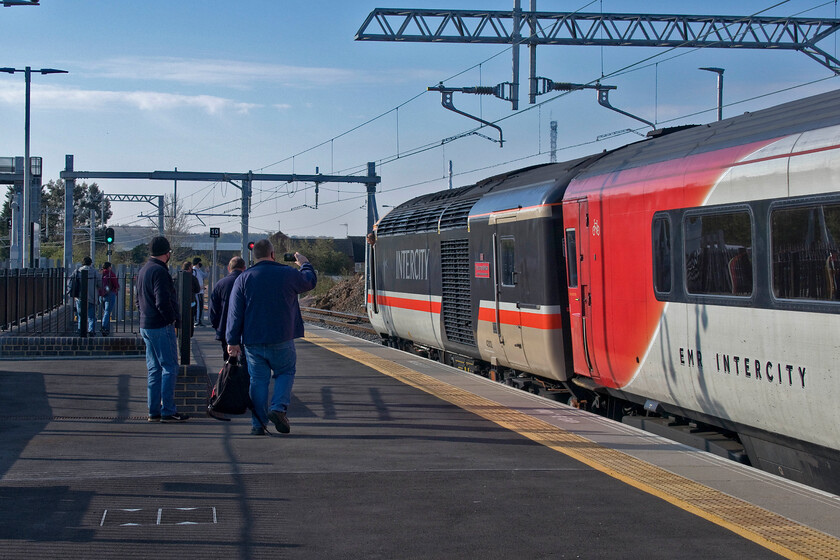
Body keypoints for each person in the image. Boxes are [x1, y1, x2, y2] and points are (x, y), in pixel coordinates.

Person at [226, 239, 316, 436]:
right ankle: (278, 407)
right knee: (285, 372)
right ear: (273, 254)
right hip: (282, 336)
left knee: (258, 381)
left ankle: (258, 424)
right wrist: (304, 263)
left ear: (254, 256)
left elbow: (235, 312)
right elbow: (309, 281)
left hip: (252, 340)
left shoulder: (244, 277)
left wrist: (232, 341)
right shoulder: (288, 273)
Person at [137, 236, 189, 423]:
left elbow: (138, 299)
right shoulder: (160, 272)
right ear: (166, 253)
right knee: (169, 367)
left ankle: (153, 411)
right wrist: (172, 319)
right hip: (160, 325)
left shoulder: (143, 270)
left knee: (154, 369)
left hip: (146, 325)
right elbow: (162, 300)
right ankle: (167, 410)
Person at [209, 256, 246, 361]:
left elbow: (213, 308)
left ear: (229, 268)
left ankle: (229, 375)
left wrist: (217, 325)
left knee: (229, 360)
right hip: (246, 329)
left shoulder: (221, 284)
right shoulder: (248, 282)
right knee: (246, 361)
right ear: (244, 267)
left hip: (225, 327)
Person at [73, 257, 102, 336]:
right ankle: (91, 330)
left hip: (80, 297)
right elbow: (100, 284)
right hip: (92, 297)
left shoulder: (77, 271)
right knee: (92, 316)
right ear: (90, 263)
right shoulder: (95, 272)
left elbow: (72, 283)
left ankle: (80, 329)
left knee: (80, 315)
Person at [99, 261, 119, 336]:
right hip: (110, 294)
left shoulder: (100, 274)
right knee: (107, 312)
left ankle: (106, 329)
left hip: (101, 295)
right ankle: (104, 326)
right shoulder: (111, 274)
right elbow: (116, 284)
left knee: (105, 312)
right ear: (109, 267)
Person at [183, 260, 201, 336]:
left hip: (180, 303)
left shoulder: (176, 276)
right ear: (190, 268)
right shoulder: (193, 278)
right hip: (191, 302)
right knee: (190, 320)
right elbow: (197, 290)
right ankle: (189, 334)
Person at [192, 257, 207, 326]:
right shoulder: (194, 271)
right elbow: (193, 282)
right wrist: (198, 287)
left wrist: (207, 271)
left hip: (201, 291)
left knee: (200, 306)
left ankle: (199, 320)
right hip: (197, 292)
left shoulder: (199, 270)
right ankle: (197, 320)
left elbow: (204, 276)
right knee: (197, 306)